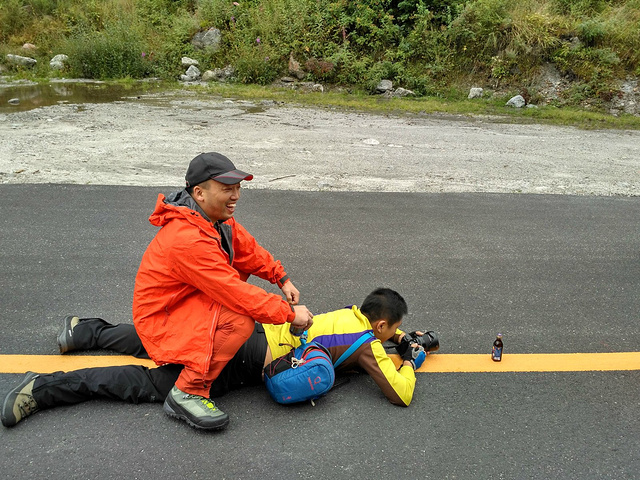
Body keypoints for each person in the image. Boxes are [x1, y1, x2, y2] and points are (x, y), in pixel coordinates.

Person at [2, 288, 438, 429]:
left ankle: (84, 330)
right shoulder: (369, 345)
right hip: (245, 362)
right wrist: (411, 360)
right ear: (381, 326)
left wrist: (399, 338)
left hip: (251, 332)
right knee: (151, 385)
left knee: (161, 338)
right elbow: (399, 394)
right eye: (393, 330)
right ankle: (43, 389)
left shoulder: (348, 315)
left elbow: (358, 339)